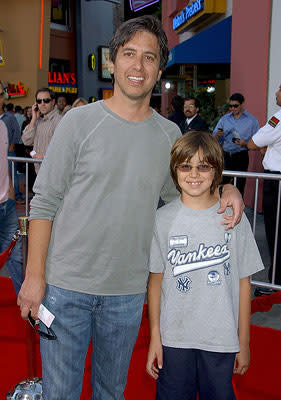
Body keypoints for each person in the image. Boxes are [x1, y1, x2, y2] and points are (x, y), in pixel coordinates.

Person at [17, 16, 244, 400]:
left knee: (111, 393)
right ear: (112, 62)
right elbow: (45, 201)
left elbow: (185, 198)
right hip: (64, 287)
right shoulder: (78, 122)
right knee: (59, 393)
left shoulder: (169, 135)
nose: (137, 67)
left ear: (159, 70)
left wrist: (225, 189)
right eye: (129, 54)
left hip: (125, 293)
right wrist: (34, 277)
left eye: (149, 58)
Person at [146, 131, 264, 400]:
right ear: (175, 170)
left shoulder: (233, 219)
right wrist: (155, 336)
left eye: (203, 166)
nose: (194, 174)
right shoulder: (162, 220)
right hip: (174, 338)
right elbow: (155, 281)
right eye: (186, 166)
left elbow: (244, 283)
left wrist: (242, 341)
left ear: (216, 170)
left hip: (220, 339)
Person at [237, 84, 281, 289]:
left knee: (276, 231)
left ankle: (275, 282)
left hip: (277, 182)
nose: (276, 93)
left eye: (280, 89)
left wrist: (265, 147)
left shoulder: (278, 119)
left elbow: (254, 142)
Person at [213, 93, 259, 196]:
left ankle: (238, 209)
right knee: (222, 183)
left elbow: (257, 141)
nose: (232, 108)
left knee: (239, 184)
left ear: (242, 104)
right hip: (226, 155)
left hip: (241, 155)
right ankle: (219, 207)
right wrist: (218, 135)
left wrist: (245, 143)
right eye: (230, 106)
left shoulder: (252, 120)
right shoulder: (224, 119)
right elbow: (215, 139)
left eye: (235, 106)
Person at [0, 116, 23, 294]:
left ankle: (24, 311)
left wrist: (10, 189)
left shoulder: (2, 126)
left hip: (7, 203)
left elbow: (3, 159)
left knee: (15, 257)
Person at [22, 88, 61, 173]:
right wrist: (33, 119)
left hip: (54, 171)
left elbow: (62, 148)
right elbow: (26, 141)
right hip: (39, 171)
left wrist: (44, 156)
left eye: (46, 100)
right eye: (39, 101)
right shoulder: (38, 121)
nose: (42, 104)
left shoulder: (59, 121)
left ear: (53, 102)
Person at [0, 82, 24, 203]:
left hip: (10, 151)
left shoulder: (10, 117)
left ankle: (17, 195)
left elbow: (17, 132)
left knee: (12, 174)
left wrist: (12, 145)